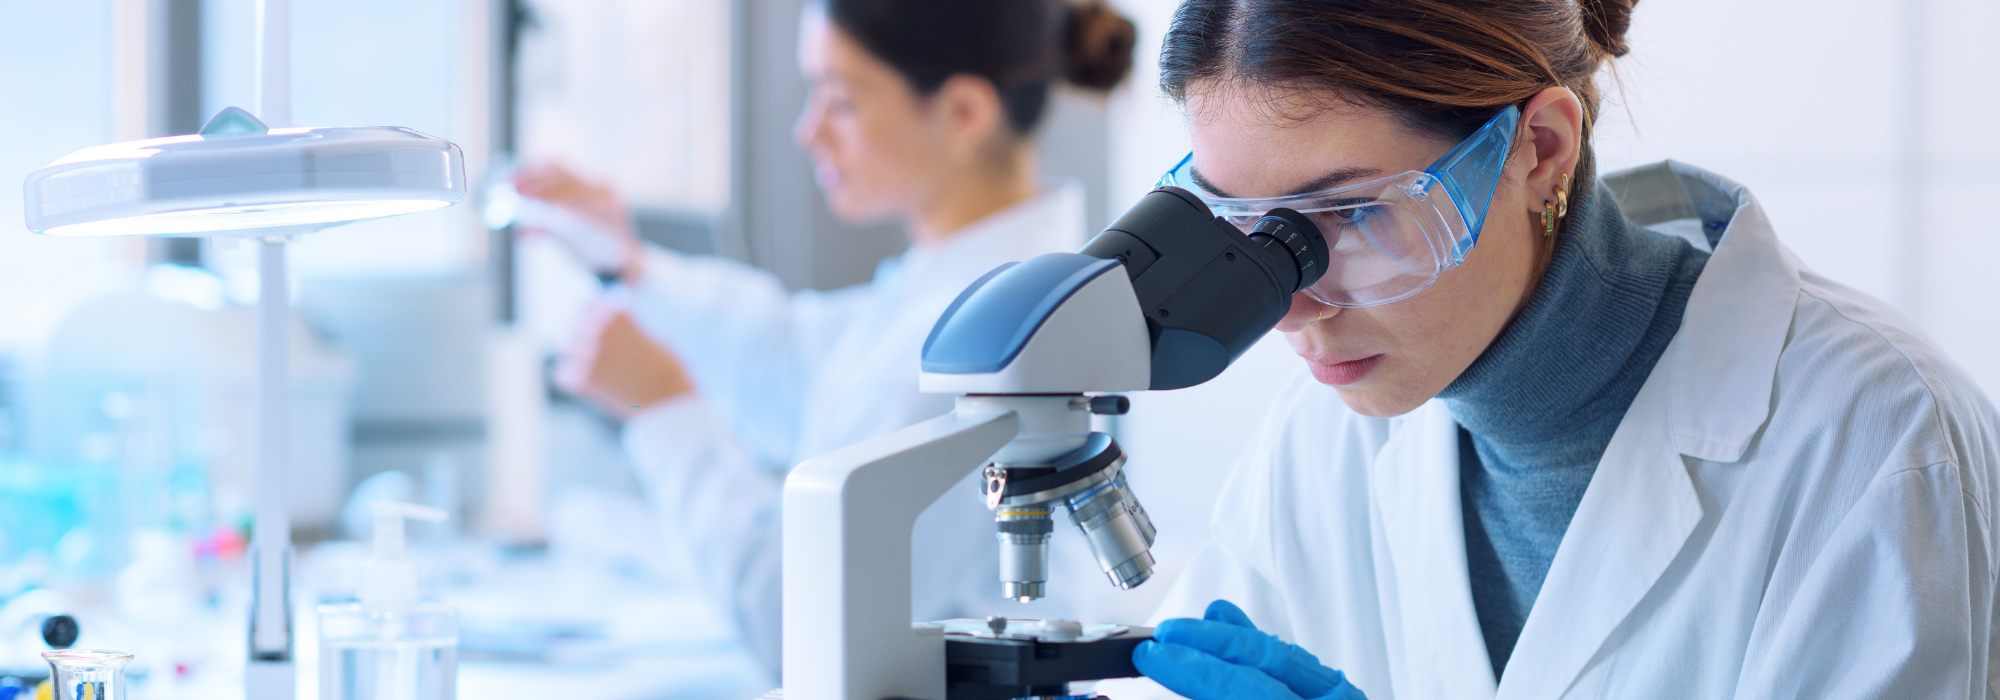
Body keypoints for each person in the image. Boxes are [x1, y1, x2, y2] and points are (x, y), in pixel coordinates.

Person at [1105, 0, 2000, 698]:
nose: (1291, 308)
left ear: (1540, 148)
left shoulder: (1878, 439)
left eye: (1352, 215)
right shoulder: (1321, 442)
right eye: (1243, 232)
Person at [512, 0, 1139, 678]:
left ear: (963, 113)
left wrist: (659, 410)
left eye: (839, 101)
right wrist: (625, 264)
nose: (807, 131)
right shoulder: (956, 290)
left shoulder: (991, 348)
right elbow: (790, 356)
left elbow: (805, 627)